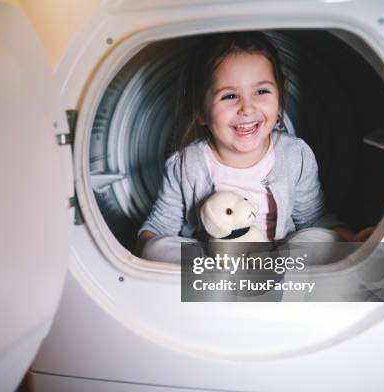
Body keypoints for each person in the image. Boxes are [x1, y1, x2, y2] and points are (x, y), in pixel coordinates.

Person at [135, 32, 372, 263]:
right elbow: (158, 228)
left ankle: (268, 274)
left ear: (279, 97)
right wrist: (144, 251)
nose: (247, 109)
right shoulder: (186, 164)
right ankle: (225, 279)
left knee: (322, 241)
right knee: (155, 248)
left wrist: (348, 238)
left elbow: (313, 219)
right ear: (201, 111)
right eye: (229, 96)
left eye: (261, 91)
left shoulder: (294, 155)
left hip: (280, 258)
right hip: (213, 263)